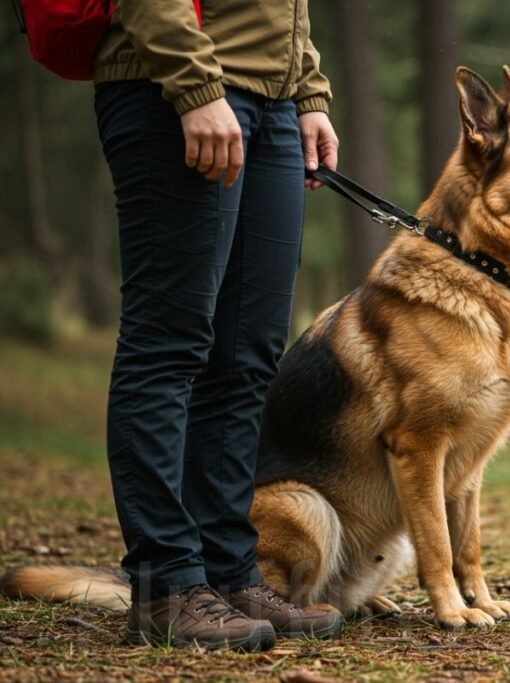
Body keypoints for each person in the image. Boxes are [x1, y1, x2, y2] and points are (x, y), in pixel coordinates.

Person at [92, 0, 341, 651]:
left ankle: (230, 571)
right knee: (168, 345)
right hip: (174, 85)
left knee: (247, 355)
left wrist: (308, 92)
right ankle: (166, 584)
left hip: (273, 102)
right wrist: (195, 87)